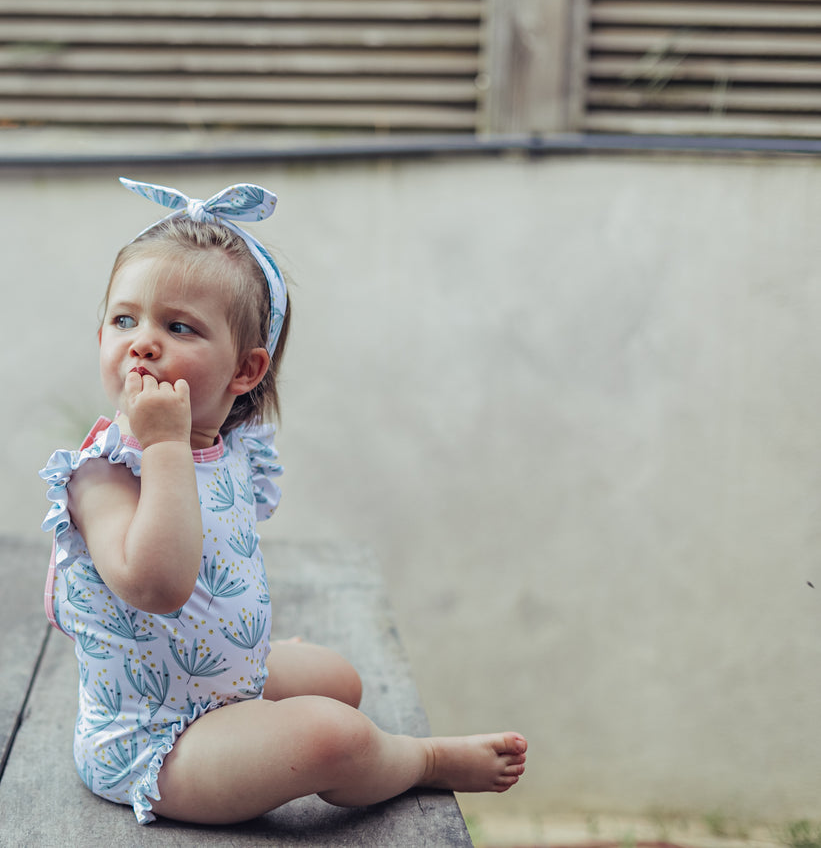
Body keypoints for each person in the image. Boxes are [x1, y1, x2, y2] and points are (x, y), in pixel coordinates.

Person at [39, 177, 527, 825]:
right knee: (332, 732)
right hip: (153, 742)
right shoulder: (101, 473)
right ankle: (421, 760)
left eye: (177, 325)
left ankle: (266, 713)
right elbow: (157, 586)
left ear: (244, 370)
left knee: (340, 678)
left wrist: (241, 648)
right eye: (124, 319)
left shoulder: (227, 451)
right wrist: (162, 449)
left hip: (216, 684)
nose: (142, 341)